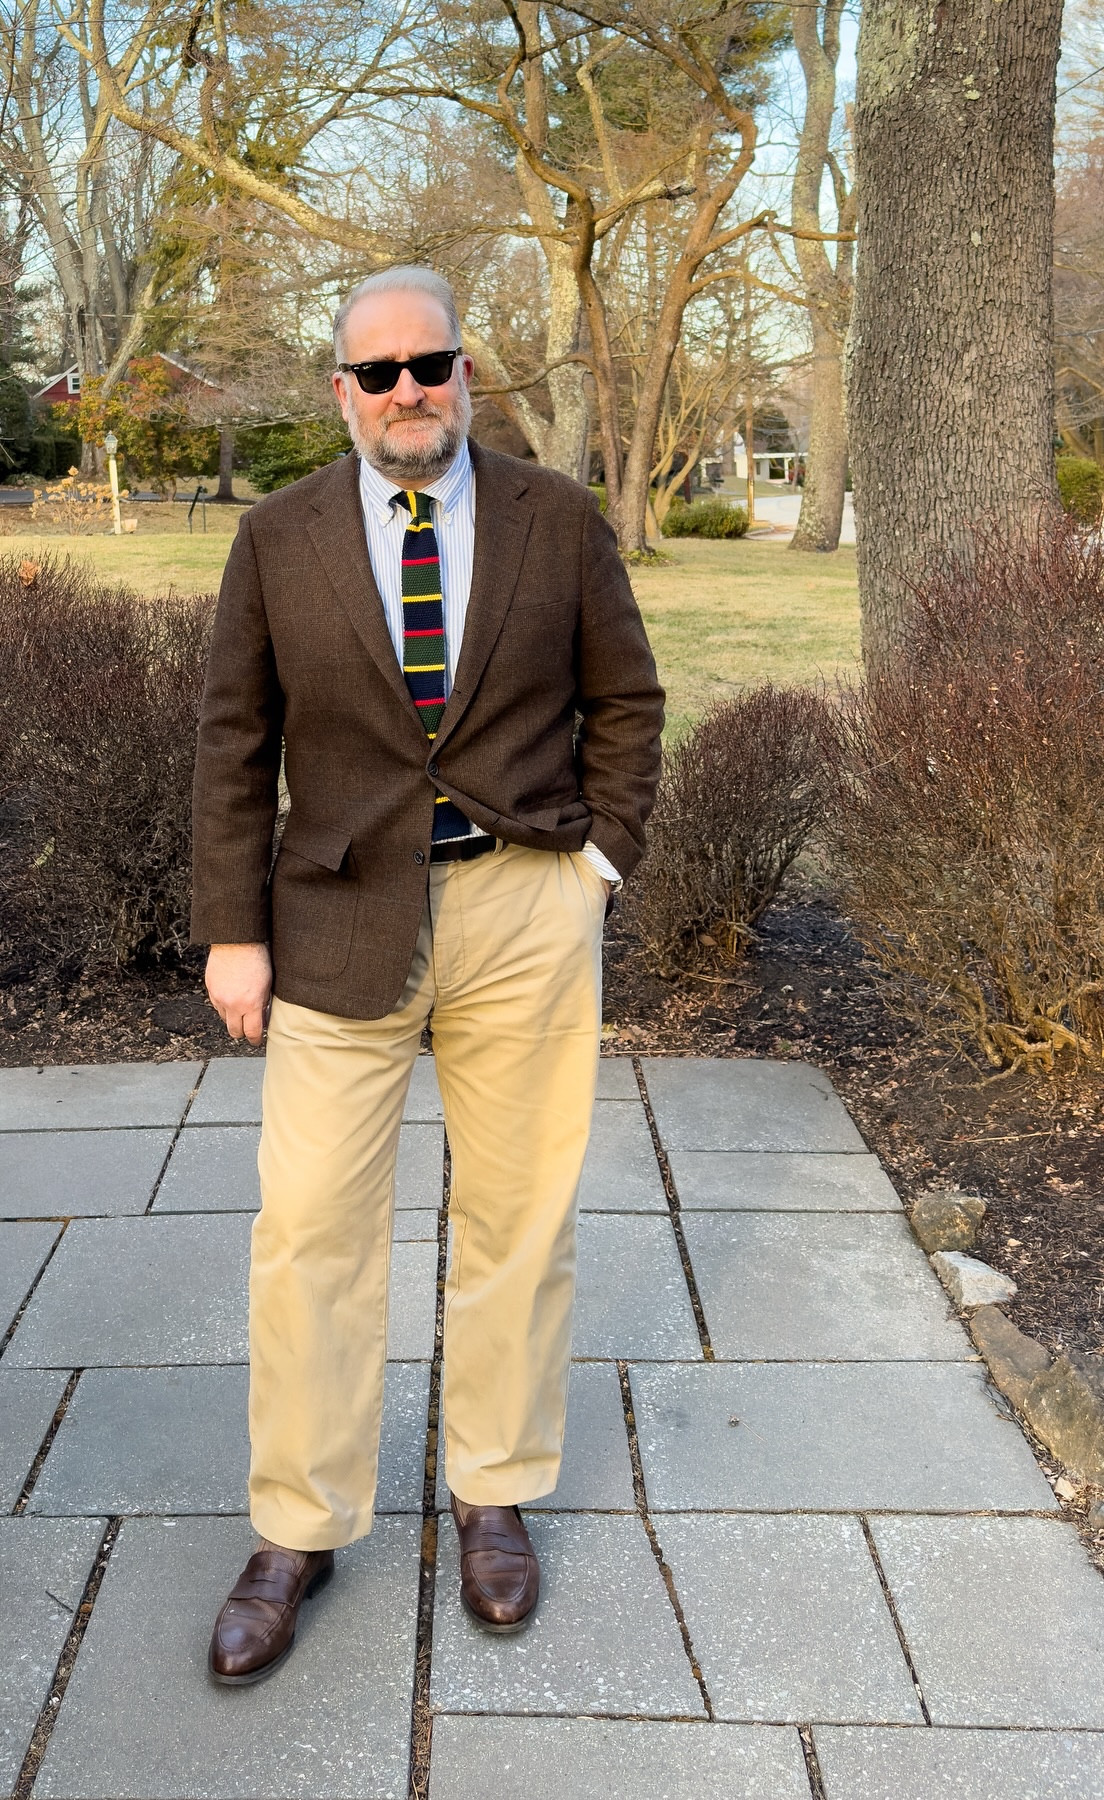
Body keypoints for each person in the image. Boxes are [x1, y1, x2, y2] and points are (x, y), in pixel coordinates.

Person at [192, 266, 663, 1685]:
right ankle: (300, 1523)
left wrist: (595, 872)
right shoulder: (277, 538)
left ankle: (492, 1492)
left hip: (524, 904)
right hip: (337, 912)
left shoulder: (555, 520)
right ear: (341, 391)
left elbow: (628, 700)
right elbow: (232, 738)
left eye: (432, 364)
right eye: (380, 371)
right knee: (311, 1230)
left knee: (521, 1216)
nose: (410, 391)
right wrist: (232, 926)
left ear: (468, 373)